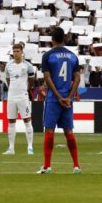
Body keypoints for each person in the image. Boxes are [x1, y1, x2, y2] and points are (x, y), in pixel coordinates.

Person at [38, 27, 81, 174]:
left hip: (53, 99)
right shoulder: (73, 56)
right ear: (64, 38)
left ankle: (47, 166)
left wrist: (58, 97)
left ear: (52, 39)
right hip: (68, 100)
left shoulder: (48, 56)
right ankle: (76, 166)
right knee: (68, 131)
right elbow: (77, 78)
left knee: (49, 130)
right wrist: (68, 97)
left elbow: (47, 78)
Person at [3, 42, 36, 155]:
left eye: (18, 51)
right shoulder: (9, 65)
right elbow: (8, 79)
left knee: (27, 120)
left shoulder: (28, 66)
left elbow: (32, 79)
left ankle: (30, 147)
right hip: (11, 96)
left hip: (23, 96)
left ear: (22, 52)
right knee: (11, 121)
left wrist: (26, 88)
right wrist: (13, 88)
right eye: (14, 51)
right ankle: (11, 148)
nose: (16, 53)